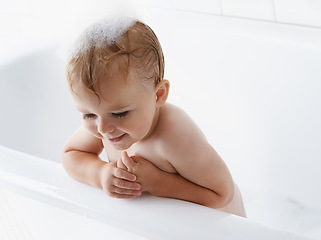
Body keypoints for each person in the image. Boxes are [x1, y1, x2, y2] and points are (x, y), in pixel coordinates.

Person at [62, 17, 246, 217]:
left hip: (219, 229)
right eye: (88, 114)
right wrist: (100, 174)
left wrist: (157, 182)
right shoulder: (105, 121)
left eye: (120, 113)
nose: (103, 129)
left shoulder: (175, 136)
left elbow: (222, 194)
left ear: (158, 95)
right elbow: (71, 154)